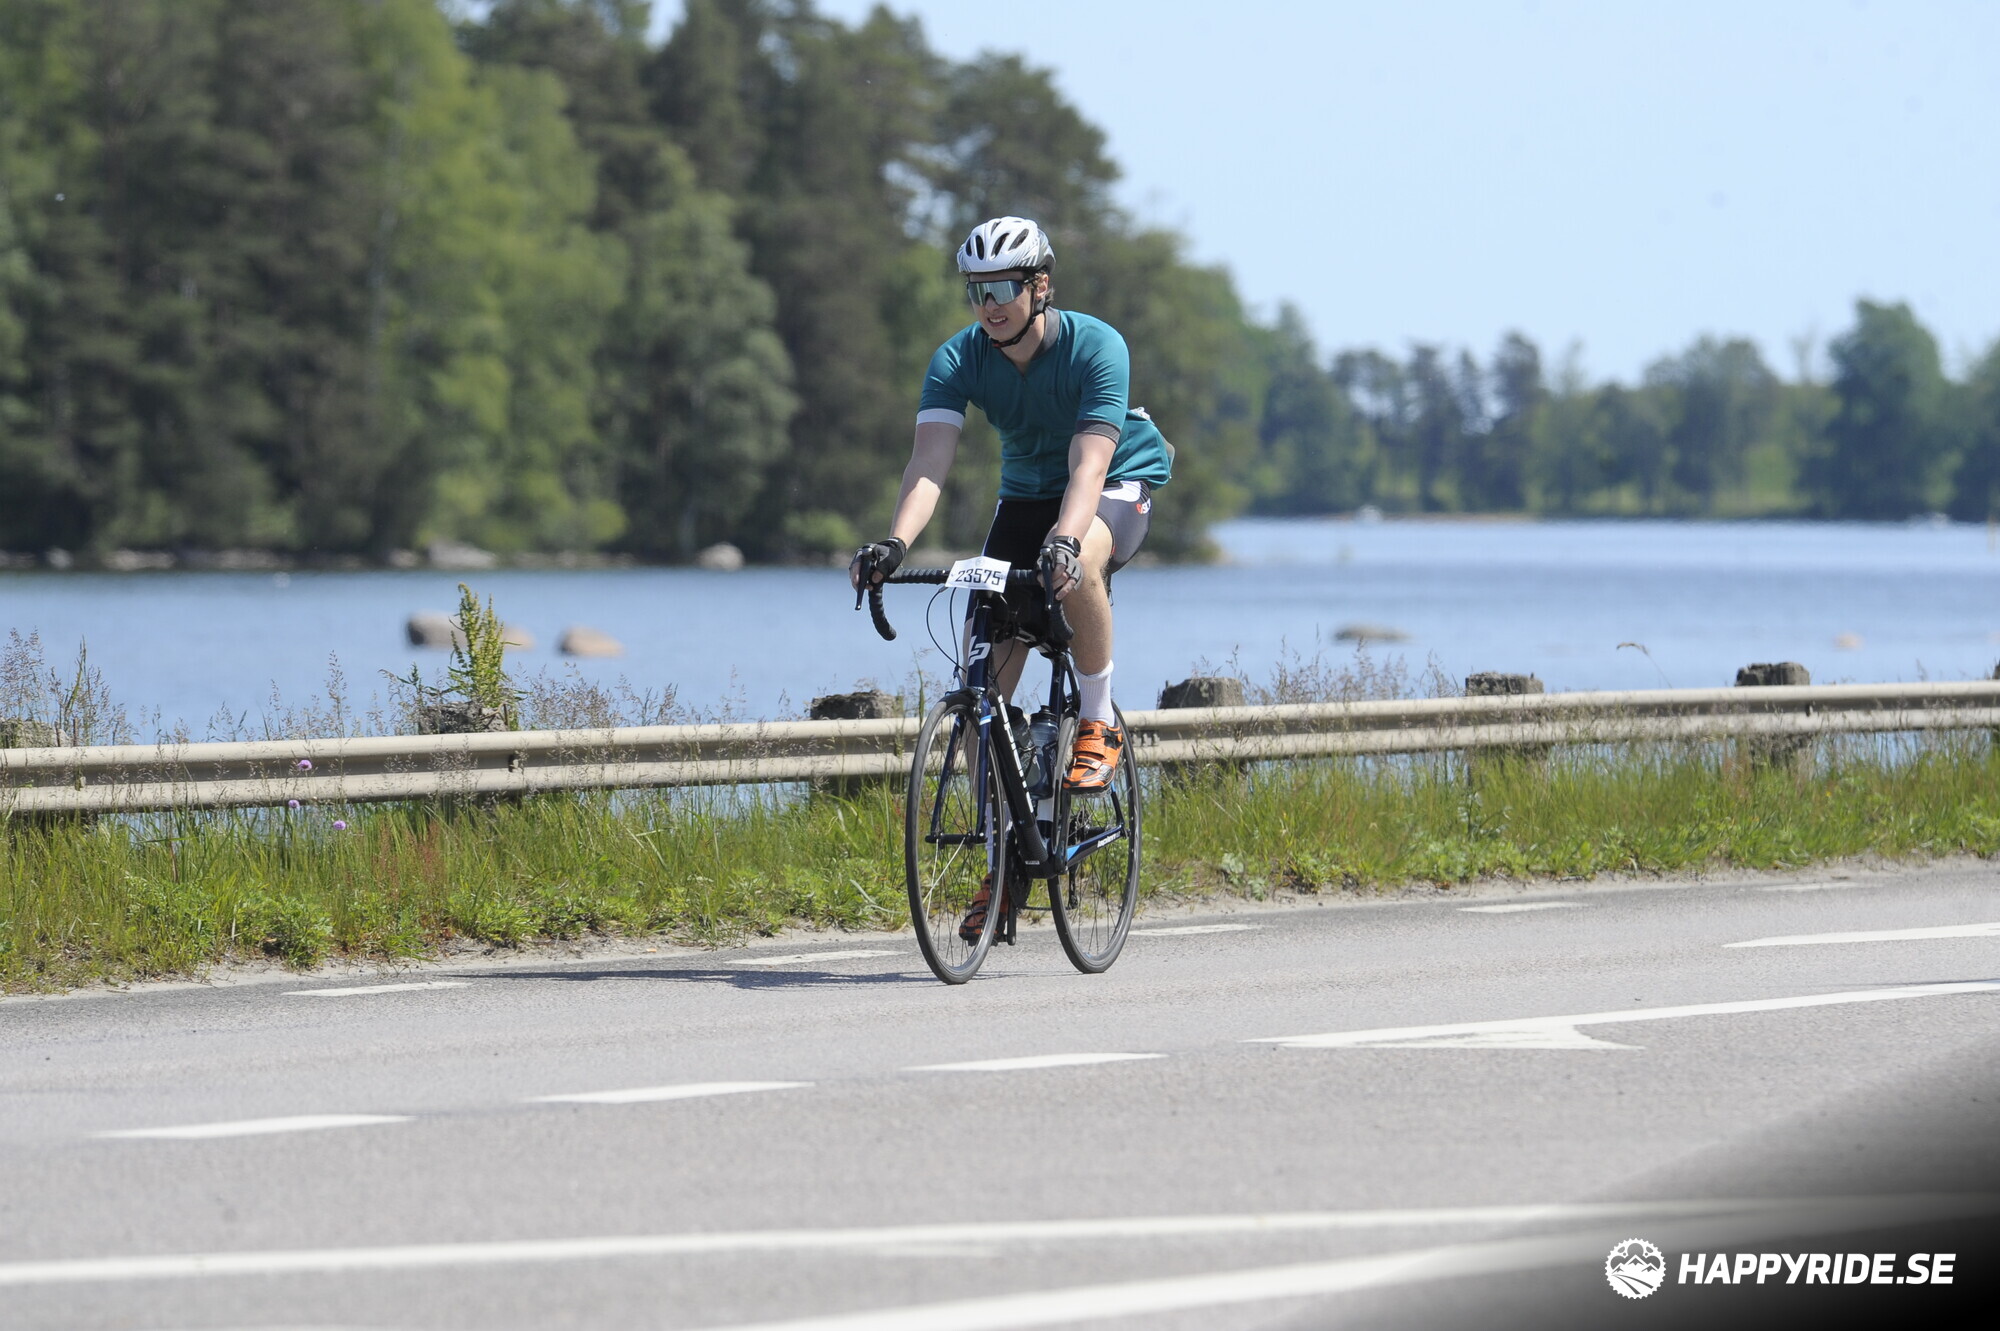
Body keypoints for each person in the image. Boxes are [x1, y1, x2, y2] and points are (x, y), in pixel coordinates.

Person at [850, 214, 1173, 802]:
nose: (989, 305)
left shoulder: (1097, 345)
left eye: (1002, 288)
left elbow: (1088, 466)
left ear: (1040, 286)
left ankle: (1097, 719)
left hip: (1113, 479)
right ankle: (1004, 842)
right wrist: (894, 543)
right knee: (982, 696)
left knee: (1079, 560)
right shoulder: (957, 359)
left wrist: (1065, 541)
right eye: (977, 292)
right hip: (1025, 494)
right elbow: (928, 465)